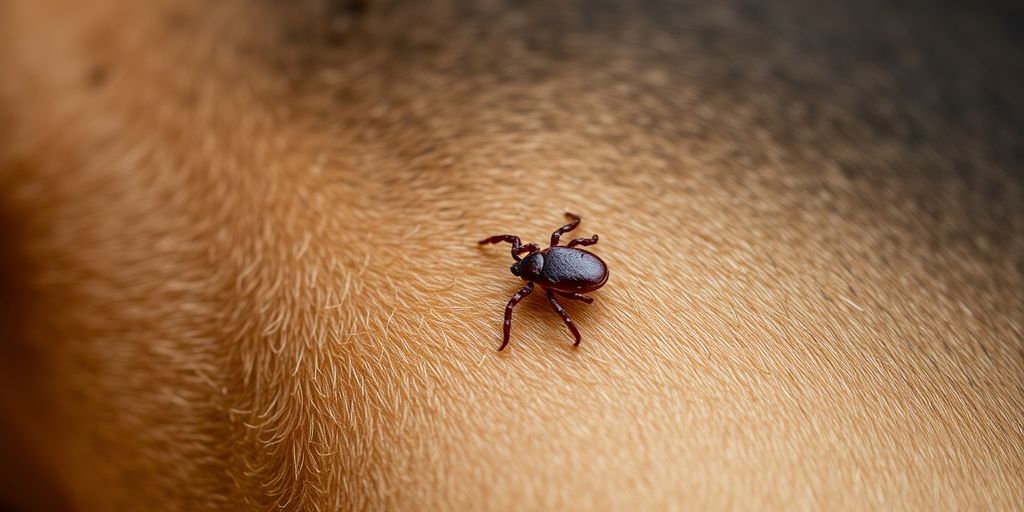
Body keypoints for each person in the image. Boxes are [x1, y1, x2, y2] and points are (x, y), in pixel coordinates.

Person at [0, 0, 1021, 509]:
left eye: (527, 267)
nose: (527, 270)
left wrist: (535, 325)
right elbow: (578, 249)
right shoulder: (559, 267)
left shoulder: (536, 296)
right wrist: (562, 296)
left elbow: (554, 276)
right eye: (533, 270)